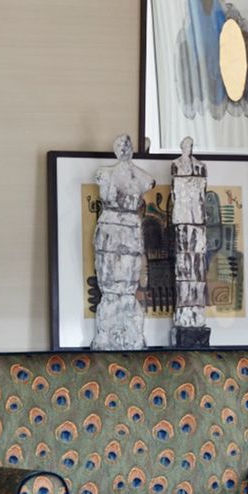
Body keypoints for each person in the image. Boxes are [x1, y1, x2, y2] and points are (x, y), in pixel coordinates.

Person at [92, 135, 155, 350]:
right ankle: (107, 332)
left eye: (126, 145)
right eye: (119, 145)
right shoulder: (104, 173)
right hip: (109, 230)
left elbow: (148, 182)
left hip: (130, 229)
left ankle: (130, 332)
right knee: (108, 278)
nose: (123, 149)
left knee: (128, 278)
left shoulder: (142, 177)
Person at [170, 137, 211, 348]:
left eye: (190, 145)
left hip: (196, 218)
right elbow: (176, 191)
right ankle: (185, 314)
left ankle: (196, 314)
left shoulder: (200, 166)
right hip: (183, 218)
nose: (188, 148)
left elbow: (202, 189)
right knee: (184, 267)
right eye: (185, 145)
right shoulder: (176, 165)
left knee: (197, 268)